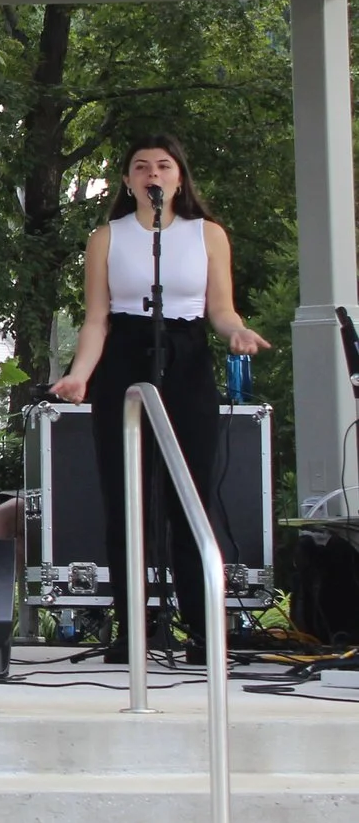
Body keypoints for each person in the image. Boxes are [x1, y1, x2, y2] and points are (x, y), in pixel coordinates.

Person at [49, 135, 268, 665]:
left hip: (186, 355)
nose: (153, 174)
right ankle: (133, 627)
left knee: (189, 494)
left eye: (164, 166)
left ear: (178, 178)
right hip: (126, 353)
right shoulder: (108, 237)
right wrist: (80, 375)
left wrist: (236, 332)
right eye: (142, 166)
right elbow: (96, 319)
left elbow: (221, 309)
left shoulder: (207, 234)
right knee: (126, 496)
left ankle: (201, 627)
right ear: (128, 181)